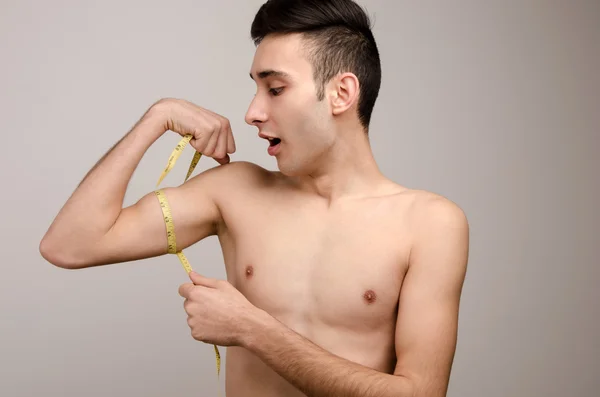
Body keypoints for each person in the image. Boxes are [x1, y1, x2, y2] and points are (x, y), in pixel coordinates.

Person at [39, 0, 469, 396]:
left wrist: (252, 328)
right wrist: (157, 117)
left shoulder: (429, 224)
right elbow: (69, 245)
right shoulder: (234, 192)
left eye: (275, 89)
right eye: (256, 89)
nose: (252, 112)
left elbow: (421, 393)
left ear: (342, 93)